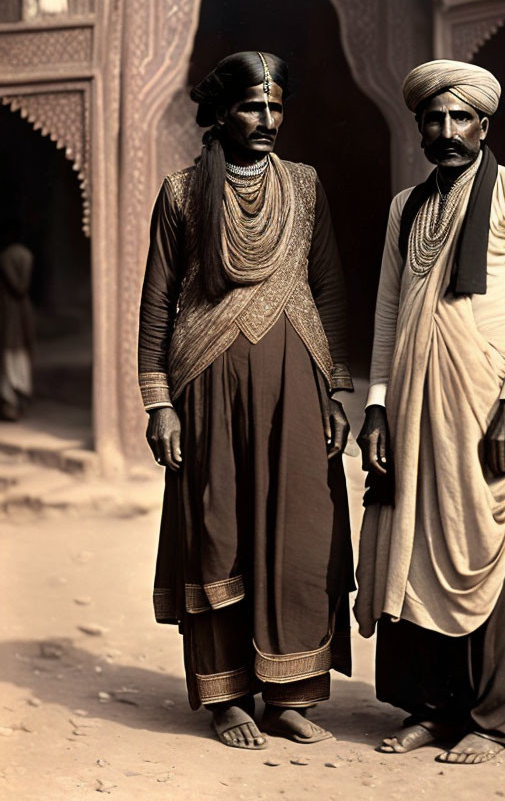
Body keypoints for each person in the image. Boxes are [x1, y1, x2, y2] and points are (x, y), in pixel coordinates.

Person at [355, 59, 505, 764]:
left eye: (461, 118)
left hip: (492, 412)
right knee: (417, 547)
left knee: (497, 552)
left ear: (484, 125)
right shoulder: (405, 207)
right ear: (419, 125)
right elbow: (390, 312)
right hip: (419, 414)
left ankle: (497, 716)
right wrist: (379, 407)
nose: (447, 131)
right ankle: (433, 707)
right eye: (435, 118)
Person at [138, 51, 355, 750]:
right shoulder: (179, 194)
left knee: (297, 532)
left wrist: (335, 391)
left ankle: (289, 694)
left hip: (296, 385)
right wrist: (159, 403)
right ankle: (226, 695)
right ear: (222, 113)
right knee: (218, 531)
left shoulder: (306, 186)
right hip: (206, 390)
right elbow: (157, 307)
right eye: (253, 107)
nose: (267, 120)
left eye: (277, 107)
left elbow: (328, 290)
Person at [0, 218, 34, 421]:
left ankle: (12, 401)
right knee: (18, 353)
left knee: (10, 355)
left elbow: (18, 285)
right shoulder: (26, 255)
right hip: (22, 309)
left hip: (10, 310)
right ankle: (17, 399)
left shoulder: (5, 257)